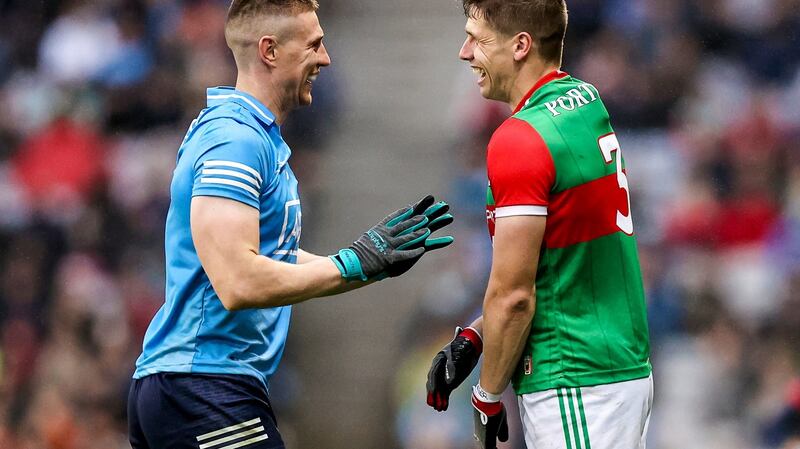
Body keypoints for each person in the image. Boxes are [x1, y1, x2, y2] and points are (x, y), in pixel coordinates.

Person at [127, 1, 454, 448]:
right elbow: (238, 281)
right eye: (314, 45)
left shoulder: (258, 140)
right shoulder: (234, 140)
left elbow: (271, 258)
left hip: (200, 385)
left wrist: (367, 263)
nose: (326, 59)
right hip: (204, 384)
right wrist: (350, 263)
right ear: (270, 51)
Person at [425, 1, 652, 448]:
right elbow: (558, 266)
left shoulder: (519, 140)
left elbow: (515, 295)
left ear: (521, 46)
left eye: (478, 38)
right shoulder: (585, 102)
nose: (465, 52)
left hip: (573, 377)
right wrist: (474, 335)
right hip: (616, 370)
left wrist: (487, 397)